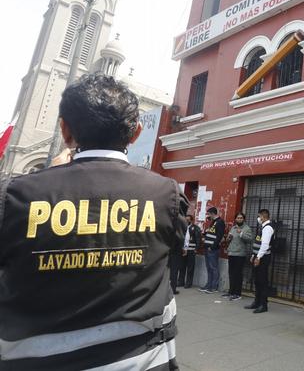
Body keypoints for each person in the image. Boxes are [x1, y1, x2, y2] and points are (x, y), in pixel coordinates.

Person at [0, 74, 187, 370]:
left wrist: (49, 178)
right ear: (136, 133)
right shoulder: (167, 194)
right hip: (142, 360)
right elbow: (173, 246)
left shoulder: (15, 195)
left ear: (65, 130)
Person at [245, 209, 274, 313]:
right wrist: (254, 255)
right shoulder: (263, 227)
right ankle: (257, 302)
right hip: (258, 257)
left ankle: (263, 305)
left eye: (259, 216)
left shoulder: (268, 228)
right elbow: (258, 243)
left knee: (262, 281)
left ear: (263, 216)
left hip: (263, 258)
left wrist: (259, 257)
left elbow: (265, 245)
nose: (258, 218)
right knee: (257, 281)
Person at [224, 212, 253, 301]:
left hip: (240, 254)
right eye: (238, 218)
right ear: (235, 219)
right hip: (231, 253)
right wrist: (228, 238)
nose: (239, 219)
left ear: (243, 219)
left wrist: (241, 233)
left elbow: (250, 239)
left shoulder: (246, 228)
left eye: (241, 218)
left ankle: (237, 293)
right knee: (231, 274)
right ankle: (231, 292)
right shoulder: (233, 227)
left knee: (238, 274)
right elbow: (228, 239)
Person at [200, 207, 225, 293]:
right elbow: (212, 233)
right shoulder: (213, 222)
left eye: (208, 214)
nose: (208, 216)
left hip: (213, 249)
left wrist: (213, 246)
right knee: (209, 268)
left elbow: (219, 236)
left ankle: (214, 287)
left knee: (214, 268)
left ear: (212, 213)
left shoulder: (220, 222)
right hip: (207, 248)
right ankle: (208, 285)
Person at [178, 214, 201, 288]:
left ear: (191, 220)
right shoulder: (182, 228)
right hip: (183, 250)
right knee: (182, 267)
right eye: (186, 220)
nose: (187, 221)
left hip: (191, 250)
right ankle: (180, 281)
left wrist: (196, 249)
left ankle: (188, 283)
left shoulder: (196, 228)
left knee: (190, 267)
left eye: (188, 220)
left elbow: (198, 238)